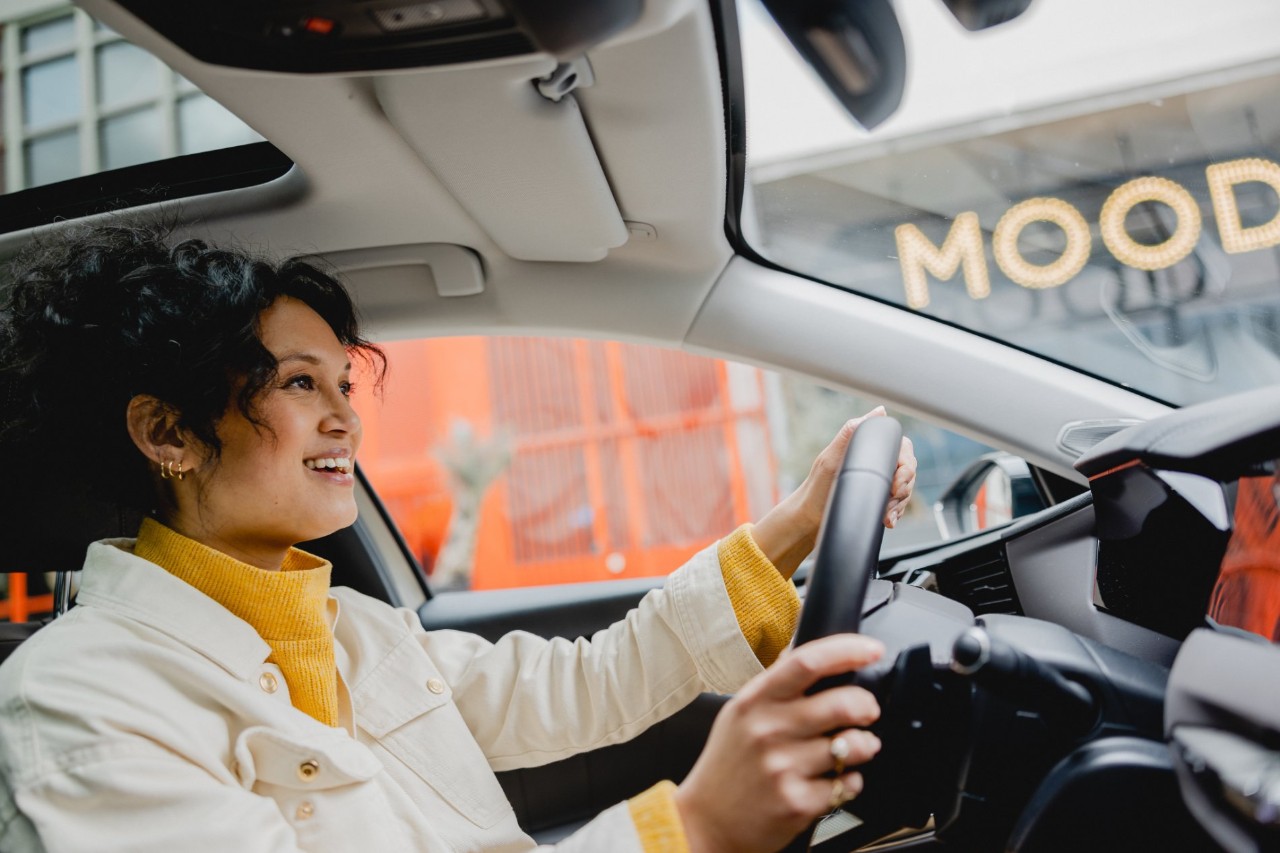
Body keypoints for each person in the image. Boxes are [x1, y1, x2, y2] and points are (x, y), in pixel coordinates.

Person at [0, 222, 916, 853]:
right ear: (167, 433)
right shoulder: (78, 699)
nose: (345, 424)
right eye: (298, 384)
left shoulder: (357, 630)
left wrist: (802, 518)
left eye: (344, 388)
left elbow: (590, 682)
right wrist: (695, 828)